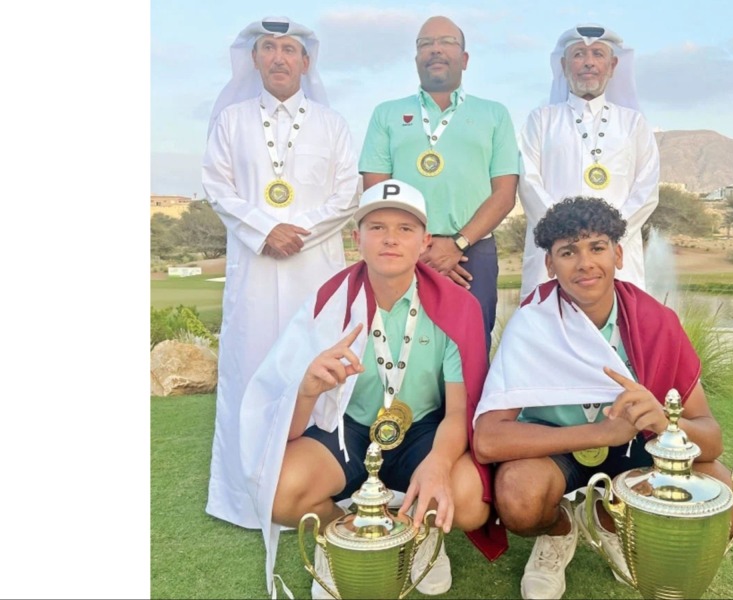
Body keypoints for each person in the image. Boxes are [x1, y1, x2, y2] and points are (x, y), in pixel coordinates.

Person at [238, 180, 507, 598]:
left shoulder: (457, 307)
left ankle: (419, 536)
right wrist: (307, 389)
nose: (390, 239)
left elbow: (458, 412)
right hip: (349, 429)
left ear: (424, 242)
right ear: (356, 238)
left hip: (422, 429)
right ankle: (341, 538)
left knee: (469, 498)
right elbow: (284, 432)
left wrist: (437, 462)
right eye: (377, 227)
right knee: (278, 487)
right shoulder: (328, 302)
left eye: (405, 229)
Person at [473, 197, 733, 600]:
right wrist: (600, 432)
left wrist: (663, 421)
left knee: (724, 489)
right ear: (549, 265)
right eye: (568, 252)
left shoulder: (655, 321)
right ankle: (560, 530)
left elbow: (710, 439)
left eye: (597, 247)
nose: (584, 263)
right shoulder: (532, 325)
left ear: (618, 254)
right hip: (559, 450)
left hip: (634, 447)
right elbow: (488, 440)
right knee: (520, 497)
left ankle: (609, 519)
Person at [201, 17, 360, 535]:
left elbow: (346, 195)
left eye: (289, 49)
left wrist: (297, 232)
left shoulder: (332, 124)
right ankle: (245, 499)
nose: (278, 58)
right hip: (253, 272)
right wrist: (265, 231)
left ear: (306, 62)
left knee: (314, 370)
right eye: (268, 48)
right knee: (250, 371)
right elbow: (217, 187)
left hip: (315, 274)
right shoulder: (230, 120)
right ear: (254, 59)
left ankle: (312, 486)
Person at [359, 15, 520, 346]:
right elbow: (376, 193)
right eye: (425, 44)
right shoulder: (385, 114)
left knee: (470, 347)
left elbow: (504, 194)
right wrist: (418, 247)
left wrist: (457, 244)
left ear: (464, 59)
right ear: (416, 59)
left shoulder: (495, 114)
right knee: (400, 345)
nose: (435, 50)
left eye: (446, 42)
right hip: (405, 251)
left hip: (472, 253)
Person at [517, 24, 659, 297]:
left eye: (598, 54)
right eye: (579, 54)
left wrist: (607, 238)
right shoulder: (541, 120)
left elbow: (647, 189)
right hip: (554, 252)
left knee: (618, 331)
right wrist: (566, 237)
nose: (589, 62)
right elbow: (528, 182)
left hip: (617, 253)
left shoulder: (633, 123)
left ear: (613, 64)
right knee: (547, 330)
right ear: (564, 64)